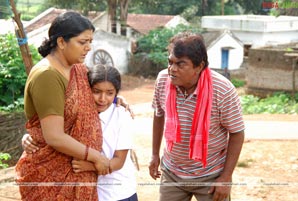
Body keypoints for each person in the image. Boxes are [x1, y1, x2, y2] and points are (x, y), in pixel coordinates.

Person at [15, 11, 110, 201]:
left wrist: (116, 100)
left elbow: (97, 94)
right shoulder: (47, 75)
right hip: (50, 177)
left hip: (78, 172)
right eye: (82, 42)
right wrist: (96, 157)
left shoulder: (77, 68)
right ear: (61, 42)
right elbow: (54, 136)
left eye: (90, 42)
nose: (89, 48)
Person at [148, 32, 245, 201]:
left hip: (211, 175)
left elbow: (237, 132)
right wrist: (155, 154)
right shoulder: (163, 80)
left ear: (199, 67)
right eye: (170, 62)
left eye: (180, 64)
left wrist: (226, 177)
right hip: (172, 173)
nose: (172, 69)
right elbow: (159, 114)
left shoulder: (222, 90)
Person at [22, 64, 138, 201]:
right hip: (89, 192)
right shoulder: (76, 115)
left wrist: (89, 166)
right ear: (86, 90)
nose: (102, 98)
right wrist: (29, 138)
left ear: (116, 93)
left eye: (109, 93)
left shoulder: (121, 116)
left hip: (118, 192)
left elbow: (118, 162)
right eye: (96, 91)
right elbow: (55, 133)